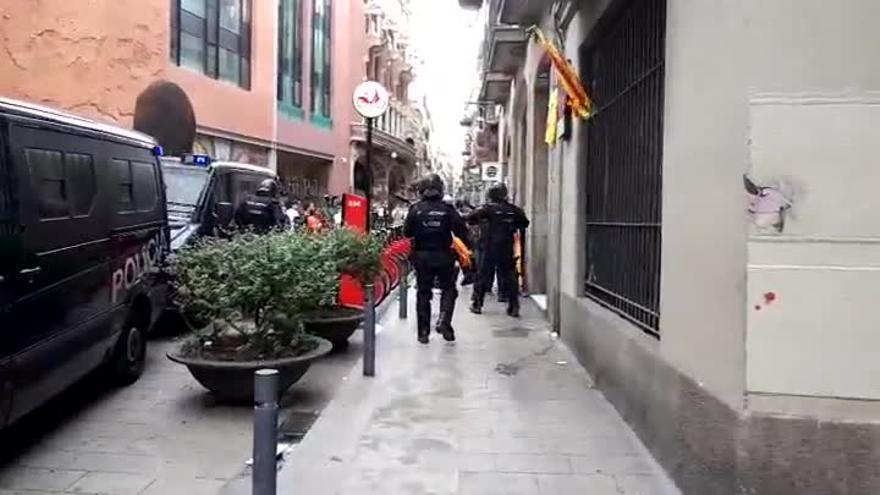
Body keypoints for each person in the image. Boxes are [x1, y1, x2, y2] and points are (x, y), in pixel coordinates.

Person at [404, 174, 472, 344]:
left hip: (422, 257)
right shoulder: (448, 210)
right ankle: (444, 321)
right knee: (449, 289)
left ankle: (423, 332)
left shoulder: (415, 209)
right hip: (444, 257)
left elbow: (407, 233)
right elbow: (462, 232)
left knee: (423, 293)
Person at [468, 183, 529, 317]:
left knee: (482, 276)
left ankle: (477, 304)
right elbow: (524, 223)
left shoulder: (487, 209)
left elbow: (471, 218)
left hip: (489, 247)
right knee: (510, 277)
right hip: (506, 247)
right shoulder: (513, 210)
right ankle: (514, 307)